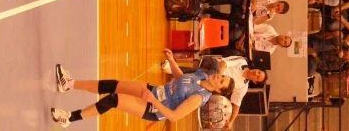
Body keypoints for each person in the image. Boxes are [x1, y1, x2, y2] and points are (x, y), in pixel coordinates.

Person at [50, 53, 234, 127]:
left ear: (217, 91)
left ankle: (69, 118)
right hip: (154, 91)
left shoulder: (198, 98)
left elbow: (174, 116)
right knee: (111, 84)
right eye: (222, 76)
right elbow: (181, 79)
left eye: (221, 82)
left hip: (153, 107)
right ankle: (68, 84)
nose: (219, 77)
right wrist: (171, 60)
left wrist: (153, 101)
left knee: (114, 99)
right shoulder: (202, 75)